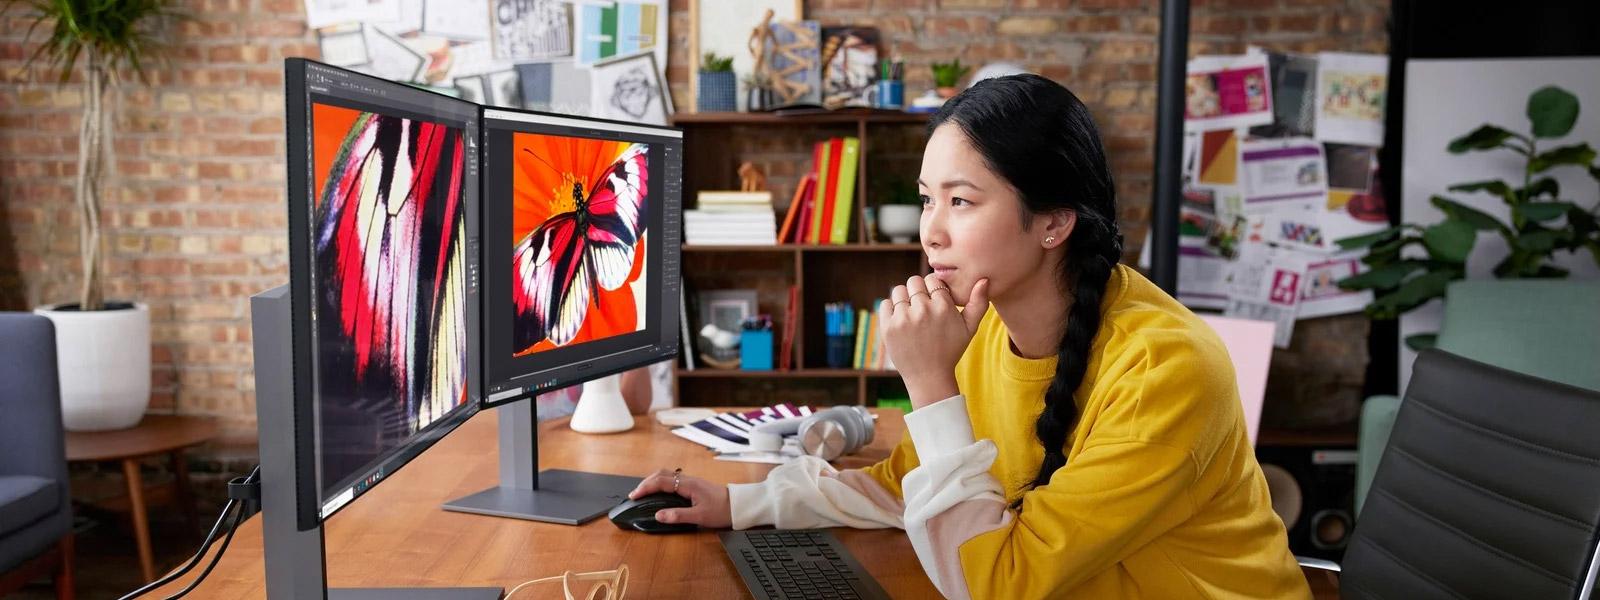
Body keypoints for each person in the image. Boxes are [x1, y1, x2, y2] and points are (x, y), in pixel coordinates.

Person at [628, 74, 1310, 599]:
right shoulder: (988, 323)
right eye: (928, 199)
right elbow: (906, 485)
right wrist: (742, 503)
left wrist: (928, 383)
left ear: (1052, 223)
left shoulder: (1165, 370)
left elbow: (1000, 582)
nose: (931, 231)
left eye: (962, 201)